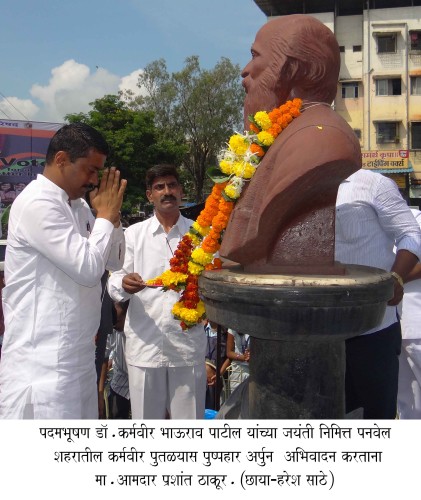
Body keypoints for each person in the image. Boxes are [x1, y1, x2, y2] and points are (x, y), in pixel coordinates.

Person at [0, 123, 127, 419]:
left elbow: (115, 261)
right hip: (42, 365)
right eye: (90, 170)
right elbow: (87, 268)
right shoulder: (37, 203)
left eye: (99, 172)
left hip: (78, 358)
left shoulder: (79, 207)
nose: (94, 181)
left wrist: (113, 219)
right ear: (61, 159)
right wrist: (105, 218)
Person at [220, 14, 361, 273]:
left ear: (294, 68)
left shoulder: (322, 140)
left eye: (255, 55)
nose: (245, 70)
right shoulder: (283, 136)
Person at [107, 163, 207, 419]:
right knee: (145, 423)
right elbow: (115, 278)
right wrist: (124, 284)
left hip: (186, 343)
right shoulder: (134, 234)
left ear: (181, 191)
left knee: (189, 425)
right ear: (150, 195)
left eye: (172, 185)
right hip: (145, 344)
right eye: (159, 187)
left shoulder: (200, 235)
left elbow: (213, 277)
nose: (167, 191)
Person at [335, 169, 421, 419]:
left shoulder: (372, 184)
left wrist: (396, 277)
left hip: (374, 326)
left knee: (376, 415)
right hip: (320, 329)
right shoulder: (301, 185)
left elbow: (410, 236)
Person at [397, 208, 421, 419]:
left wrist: (396, 278)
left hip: (417, 320)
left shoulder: (416, 220)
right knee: (407, 401)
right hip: (391, 326)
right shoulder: (377, 226)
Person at [106, 300, 131, 419]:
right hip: (120, 384)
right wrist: (100, 391)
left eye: (119, 320)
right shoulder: (112, 326)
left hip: (144, 383)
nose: (115, 325)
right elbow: (105, 355)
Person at [204, 320, 230, 410]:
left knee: (216, 405)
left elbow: (229, 356)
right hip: (203, 374)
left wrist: (219, 374)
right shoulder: (203, 329)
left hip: (218, 376)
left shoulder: (226, 333)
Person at [226, 329, 250, 394]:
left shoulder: (254, 327)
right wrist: (243, 357)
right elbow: (229, 352)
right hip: (237, 370)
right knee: (235, 400)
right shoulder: (231, 329)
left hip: (252, 370)